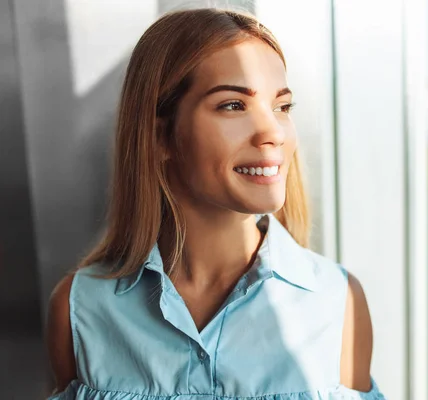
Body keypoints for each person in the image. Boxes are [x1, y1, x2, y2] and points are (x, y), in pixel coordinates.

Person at [46, 8, 385, 400]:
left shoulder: (338, 302)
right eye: (233, 105)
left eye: (282, 107)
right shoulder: (78, 309)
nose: (272, 132)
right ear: (160, 137)